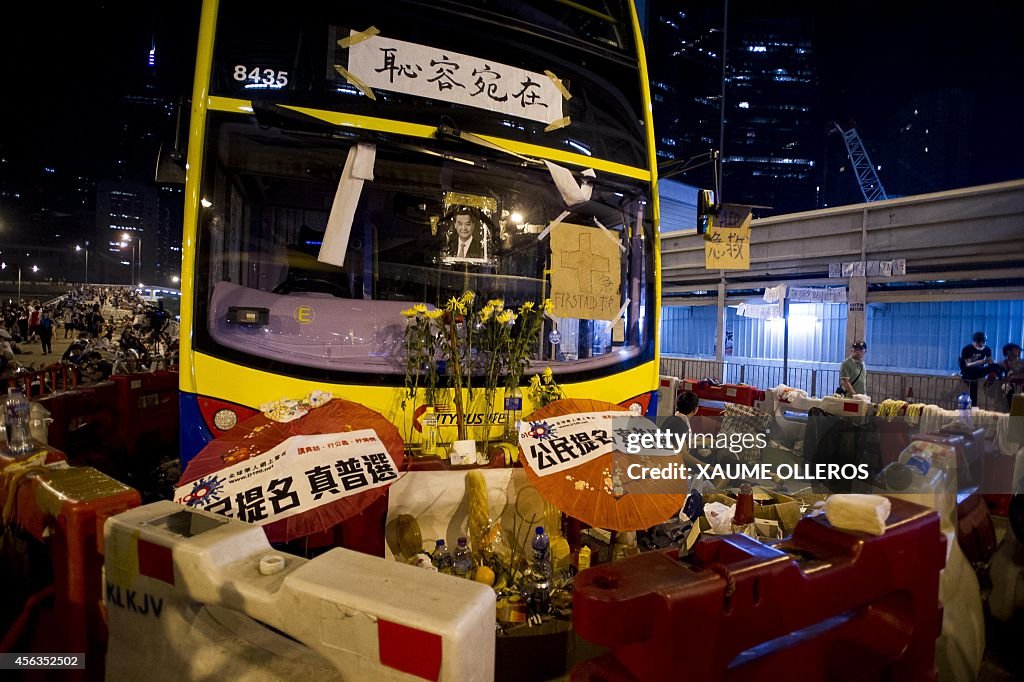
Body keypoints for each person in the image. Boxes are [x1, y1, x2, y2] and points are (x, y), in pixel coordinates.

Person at [960, 332, 1003, 406]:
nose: (981, 344)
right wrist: (982, 361)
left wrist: (993, 368)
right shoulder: (967, 349)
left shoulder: (987, 349)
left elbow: (990, 361)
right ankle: (973, 406)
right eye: (979, 342)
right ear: (974, 341)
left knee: (996, 366)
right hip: (969, 370)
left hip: (980, 370)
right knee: (973, 384)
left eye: (983, 342)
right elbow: (968, 364)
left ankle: (1002, 381)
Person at [1000, 342, 1024, 411]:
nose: (1018, 351)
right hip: (1011, 389)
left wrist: (1014, 376)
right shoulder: (1003, 363)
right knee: (1013, 409)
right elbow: (999, 375)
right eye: (1016, 349)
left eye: (1019, 350)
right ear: (1008, 352)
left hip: (1022, 388)